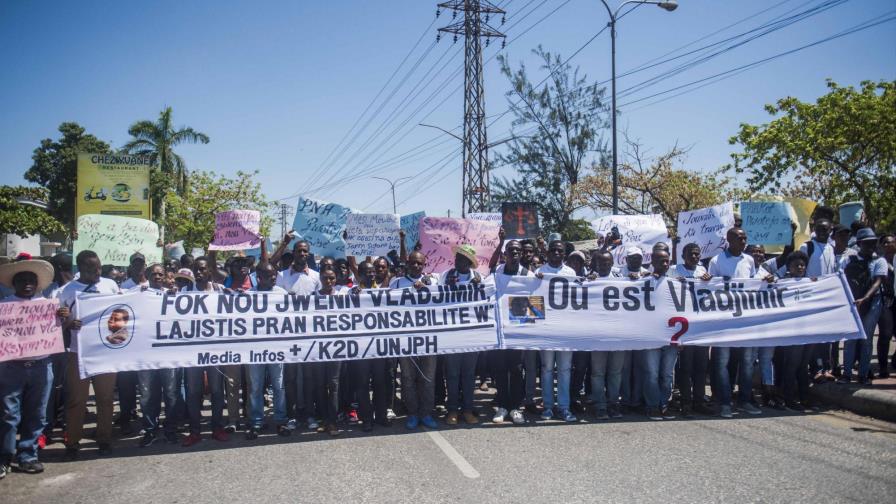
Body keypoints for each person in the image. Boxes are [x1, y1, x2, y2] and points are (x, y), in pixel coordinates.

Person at [56, 250, 121, 460]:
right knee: (77, 400)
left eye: (99, 267)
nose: (97, 272)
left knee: (105, 398)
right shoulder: (65, 292)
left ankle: (104, 439)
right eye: (92, 269)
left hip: (105, 352)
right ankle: (73, 443)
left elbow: (121, 310)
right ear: (80, 269)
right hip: (78, 353)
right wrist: (67, 323)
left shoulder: (109, 285)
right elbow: (52, 326)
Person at [0, 259, 58, 477]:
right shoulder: (4, 306)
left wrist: (63, 317)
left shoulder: (48, 305)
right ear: (13, 284)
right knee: (8, 414)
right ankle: (4, 457)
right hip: (10, 367)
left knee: (37, 414)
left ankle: (28, 455)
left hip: (42, 366)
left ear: (37, 284)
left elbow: (62, 329)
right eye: (22, 280)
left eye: (31, 280)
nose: (27, 284)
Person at [707, 227, 759, 418]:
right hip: (724, 321)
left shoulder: (749, 260)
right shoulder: (716, 261)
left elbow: (754, 284)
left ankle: (744, 400)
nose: (744, 241)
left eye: (745, 237)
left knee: (747, 362)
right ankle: (725, 402)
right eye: (739, 238)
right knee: (722, 363)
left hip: (745, 320)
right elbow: (709, 288)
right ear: (729, 240)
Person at [181, 257, 233, 447]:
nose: (199, 273)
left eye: (202, 269)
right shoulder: (184, 292)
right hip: (193, 350)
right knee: (194, 391)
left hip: (215, 349)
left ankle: (217, 428)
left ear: (210, 272)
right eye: (196, 270)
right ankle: (195, 431)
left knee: (217, 391)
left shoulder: (219, 290)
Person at [273, 237, 322, 431]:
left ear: (308, 254)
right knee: (291, 378)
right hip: (289, 335)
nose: (302, 254)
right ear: (293, 253)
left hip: (309, 335)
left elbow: (322, 305)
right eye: (299, 251)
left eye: (305, 251)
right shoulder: (282, 276)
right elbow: (275, 303)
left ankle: (309, 415)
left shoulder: (316, 277)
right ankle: (292, 416)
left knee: (309, 378)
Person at [389, 251, 440, 430]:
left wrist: (426, 286)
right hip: (405, 339)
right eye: (413, 263)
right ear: (407, 264)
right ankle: (412, 413)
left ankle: (425, 413)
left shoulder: (433, 282)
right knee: (407, 377)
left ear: (424, 265)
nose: (416, 266)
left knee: (428, 377)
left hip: (429, 339)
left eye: (420, 263)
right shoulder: (396, 283)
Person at [136, 264, 182, 448]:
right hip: (145, 353)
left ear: (165, 276)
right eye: (153, 274)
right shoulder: (136, 293)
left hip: (168, 352)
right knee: (147, 394)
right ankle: (150, 430)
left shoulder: (173, 295)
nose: (157, 277)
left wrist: (176, 298)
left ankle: (170, 429)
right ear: (147, 275)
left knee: (171, 393)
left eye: (160, 274)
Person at [245, 259, 290, 439]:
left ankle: (280, 420)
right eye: (270, 276)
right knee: (255, 387)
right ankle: (256, 421)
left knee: (279, 386)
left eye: (274, 275)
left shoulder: (281, 294)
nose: (274, 278)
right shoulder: (248, 296)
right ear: (259, 278)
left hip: (276, 348)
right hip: (254, 349)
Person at [535, 240, 578, 422]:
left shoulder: (570, 273)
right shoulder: (539, 272)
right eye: (553, 250)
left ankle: (564, 407)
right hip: (546, 328)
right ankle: (547, 407)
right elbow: (533, 300)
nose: (556, 253)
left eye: (560, 251)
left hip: (566, 328)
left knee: (565, 369)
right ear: (547, 253)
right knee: (546, 369)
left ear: (564, 254)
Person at [491, 238, 532, 425]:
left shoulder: (528, 275)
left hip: (518, 328)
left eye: (518, 250)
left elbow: (534, 305)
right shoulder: (497, 273)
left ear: (522, 254)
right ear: (505, 254)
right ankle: (502, 406)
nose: (514, 253)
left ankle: (516, 407)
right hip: (499, 329)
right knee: (500, 369)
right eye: (511, 250)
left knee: (516, 370)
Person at [441, 245, 483, 426]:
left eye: (462, 259)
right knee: (452, 374)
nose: (458, 261)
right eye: (457, 258)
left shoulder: (479, 279)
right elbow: (435, 293)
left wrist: (479, 287)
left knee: (468, 374)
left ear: (469, 263)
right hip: (452, 334)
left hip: (471, 335)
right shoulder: (446, 276)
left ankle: (467, 409)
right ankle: (452, 409)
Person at [840, 228, 888, 385]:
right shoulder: (848, 260)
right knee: (850, 339)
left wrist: (865, 298)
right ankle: (846, 374)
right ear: (859, 244)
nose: (871, 246)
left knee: (866, 339)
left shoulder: (879, 261)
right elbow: (840, 277)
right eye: (867, 243)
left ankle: (863, 375)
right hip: (852, 303)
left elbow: (878, 281)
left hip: (873, 303)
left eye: (873, 243)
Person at [349, 261, 392, 431]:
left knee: (380, 383)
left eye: (373, 272)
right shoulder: (351, 291)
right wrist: (353, 296)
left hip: (379, 345)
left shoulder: (381, 291)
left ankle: (381, 416)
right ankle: (366, 418)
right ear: (359, 274)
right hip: (360, 346)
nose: (372, 275)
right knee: (362, 384)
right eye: (367, 272)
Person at [673, 243, 713, 417]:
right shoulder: (675, 270)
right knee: (686, 367)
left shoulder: (702, 270)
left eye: (697, 254)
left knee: (701, 367)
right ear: (683, 255)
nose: (695, 257)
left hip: (700, 326)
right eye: (691, 254)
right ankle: (686, 402)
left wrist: (709, 280)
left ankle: (699, 400)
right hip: (683, 326)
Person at [775, 251, 818, 410]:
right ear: (789, 267)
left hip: (809, 329)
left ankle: (804, 397)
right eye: (796, 265)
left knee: (803, 365)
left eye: (802, 265)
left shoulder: (811, 282)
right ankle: (789, 398)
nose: (800, 268)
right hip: (793, 330)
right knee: (792, 364)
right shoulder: (783, 283)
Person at [640, 250, 678, 420]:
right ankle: (652, 406)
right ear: (653, 261)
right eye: (661, 261)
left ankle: (664, 404)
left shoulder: (676, 283)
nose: (665, 264)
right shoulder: (643, 281)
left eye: (667, 261)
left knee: (667, 373)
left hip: (672, 336)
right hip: (651, 336)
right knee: (652, 373)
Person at [588, 250, 625, 420]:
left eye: (607, 263)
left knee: (615, 372)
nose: (604, 265)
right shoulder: (589, 281)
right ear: (596, 264)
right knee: (597, 372)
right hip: (598, 335)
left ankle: (613, 403)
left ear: (612, 263)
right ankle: (600, 405)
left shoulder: (622, 281)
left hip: (618, 334)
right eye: (601, 263)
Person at [875, 234, 895, 378]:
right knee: (885, 334)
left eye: (892, 242)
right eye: (886, 243)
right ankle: (883, 367)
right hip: (887, 301)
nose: (889, 245)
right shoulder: (879, 261)